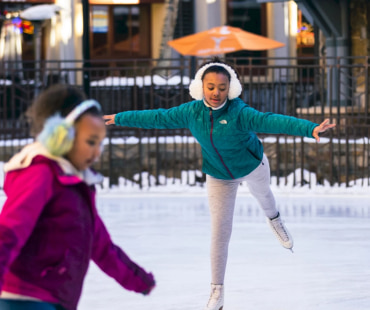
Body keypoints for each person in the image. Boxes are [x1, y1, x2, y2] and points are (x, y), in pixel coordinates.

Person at [103, 58, 335, 310]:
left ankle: (275, 219)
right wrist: (120, 117)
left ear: (230, 89)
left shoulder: (239, 113)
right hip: (218, 175)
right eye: (210, 86)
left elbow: (272, 120)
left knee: (264, 195)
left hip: (252, 166)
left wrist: (310, 128)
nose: (216, 92)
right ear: (201, 87)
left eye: (222, 88)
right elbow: (158, 117)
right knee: (220, 232)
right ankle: (217, 291)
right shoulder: (191, 112)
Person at [0, 84, 156, 310]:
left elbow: (102, 246)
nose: (97, 152)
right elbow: (9, 231)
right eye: (91, 142)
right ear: (61, 136)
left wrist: (138, 279)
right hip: (25, 298)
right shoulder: (41, 174)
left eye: (100, 143)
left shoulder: (75, 185)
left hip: (55, 298)